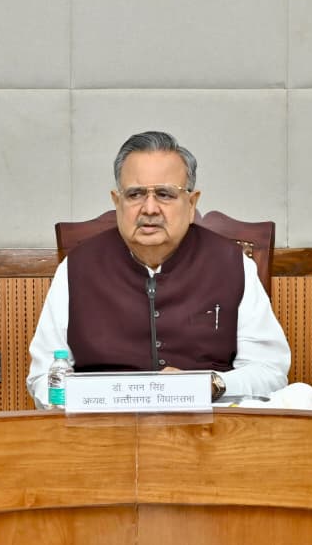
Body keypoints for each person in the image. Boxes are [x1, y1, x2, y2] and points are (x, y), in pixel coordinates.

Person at [27, 131, 290, 404]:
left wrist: (210, 384)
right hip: (102, 432)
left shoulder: (233, 264)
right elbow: (44, 377)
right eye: (135, 194)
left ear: (191, 203)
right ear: (117, 202)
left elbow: (270, 372)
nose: (149, 208)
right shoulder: (77, 268)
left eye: (165, 194)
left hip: (207, 432)